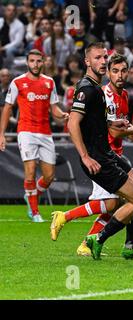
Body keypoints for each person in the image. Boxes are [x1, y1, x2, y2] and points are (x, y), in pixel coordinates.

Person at [50, 53, 133, 257]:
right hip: (102, 156)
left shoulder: (124, 95)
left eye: (124, 70)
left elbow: (120, 125)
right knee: (113, 204)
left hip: (115, 155)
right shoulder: (104, 94)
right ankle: (78, 232)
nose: (120, 75)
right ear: (108, 73)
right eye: (115, 71)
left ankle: (130, 245)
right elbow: (115, 131)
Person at [0, 49, 68, 222]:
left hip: (45, 133)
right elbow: (8, 108)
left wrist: (63, 115)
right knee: (30, 173)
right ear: (27, 62)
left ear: (43, 62)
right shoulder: (17, 82)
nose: (35, 64)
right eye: (32, 61)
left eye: (39, 61)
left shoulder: (49, 82)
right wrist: (1, 133)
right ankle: (35, 212)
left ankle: (31, 195)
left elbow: (54, 109)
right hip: (26, 132)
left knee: (49, 176)